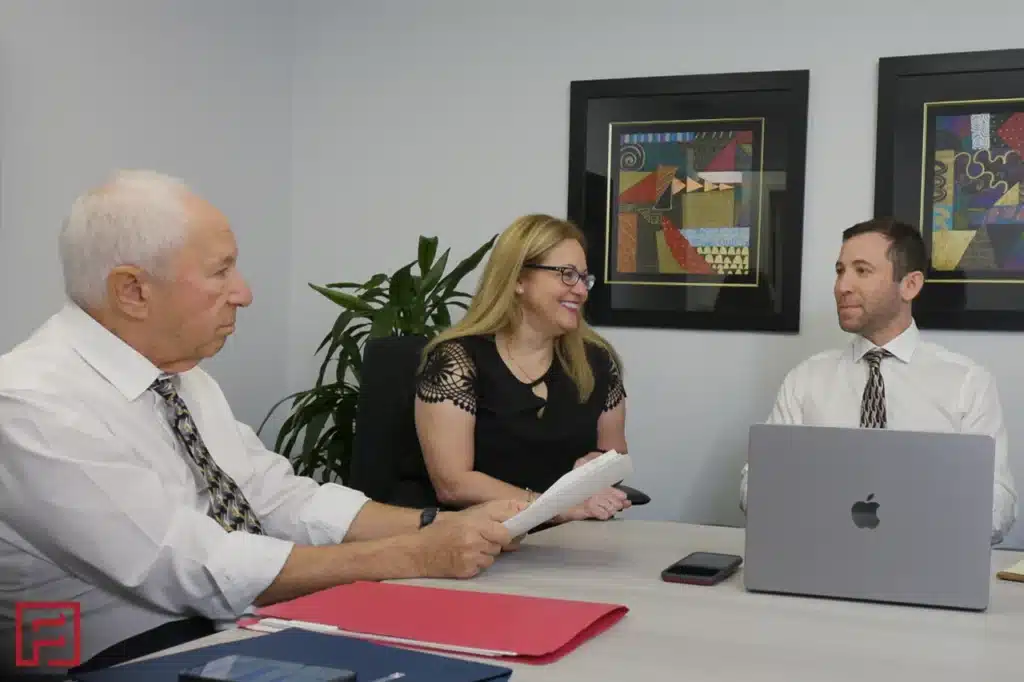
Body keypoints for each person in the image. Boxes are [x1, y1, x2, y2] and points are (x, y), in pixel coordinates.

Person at [0, 170, 524, 676]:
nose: (243, 292)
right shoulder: (31, 402)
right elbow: (189, 565)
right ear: (132, 291)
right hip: (102, 654)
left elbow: (273, 496)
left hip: (220, 625)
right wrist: (412, 555)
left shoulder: (181, 375)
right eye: (219, 271)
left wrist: (440, 526)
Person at [739, 217, 1017, 543]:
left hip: (925, 559)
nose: (841, 286)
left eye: (862, 270)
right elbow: (754, 485)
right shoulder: (805, 380)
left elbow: (1000, 505)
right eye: (840, 270)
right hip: (821, 554)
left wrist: (915, 512)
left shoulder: (967, 383)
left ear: (910, 285)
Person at [412, 214, 630, 522]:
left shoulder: (597, 360)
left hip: (571, 538)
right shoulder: (457, 361)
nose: (581, 290)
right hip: (476, 540)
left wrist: (598, 466)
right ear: (518, 279)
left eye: (584, 278)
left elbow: (616, 455)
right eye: (567, 274)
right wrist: (556, 507)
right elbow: (453, 484)